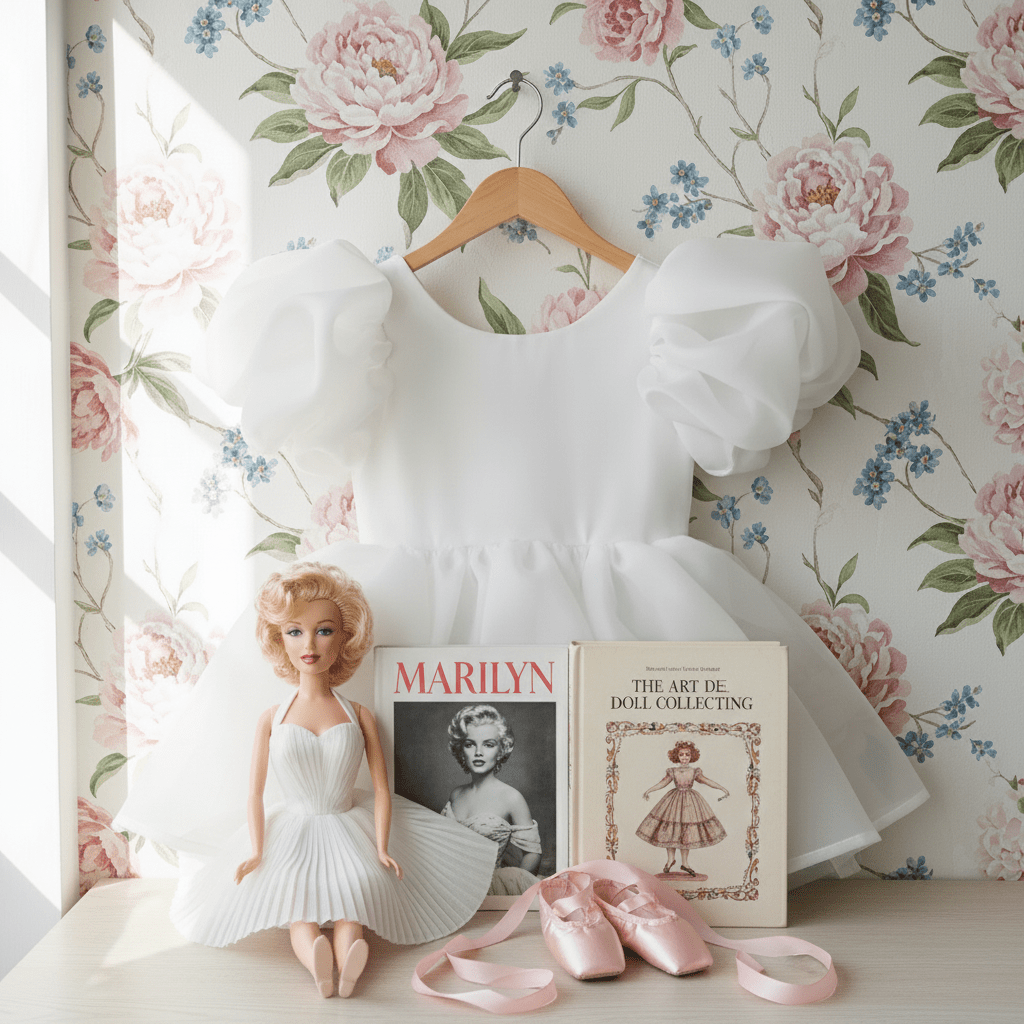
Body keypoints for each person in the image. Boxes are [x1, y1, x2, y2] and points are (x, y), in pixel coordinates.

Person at [167, 563, 495, 998]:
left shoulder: (358, 714)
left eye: (323, 631)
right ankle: (320, 966)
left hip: (348, 822)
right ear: (278, 639)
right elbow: (255, 791)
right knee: (295, 903)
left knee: (355, 893)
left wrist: (381, 847)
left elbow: (381, 787)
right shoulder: (271, 718)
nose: (309, 644)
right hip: (291, 828)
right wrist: (256, 850)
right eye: (294, 631)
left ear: (345, 638)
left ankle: (351, 961)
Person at [442, 704, 542, 895]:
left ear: (501, 749)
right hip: (452, 887)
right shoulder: (456, 794)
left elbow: (533, 853)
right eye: (470, 744)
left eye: (488, 744)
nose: (478, 752)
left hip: (490, 890)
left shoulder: (512, 797)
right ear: (461, 749)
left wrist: (514, 888)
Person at [637, 740, 729, 877]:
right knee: (670, 830)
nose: (684, 757)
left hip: (690, 803)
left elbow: (707, 781)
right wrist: (649, 790)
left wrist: (722, 788)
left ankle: (685, 863)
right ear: (677, 756)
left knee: (687, 833)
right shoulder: (672, 771)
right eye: (681, 755)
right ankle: (670, 860)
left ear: (692, 756)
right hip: (673, 802)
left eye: (687, 754)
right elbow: (662, 783)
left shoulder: (694, 771)